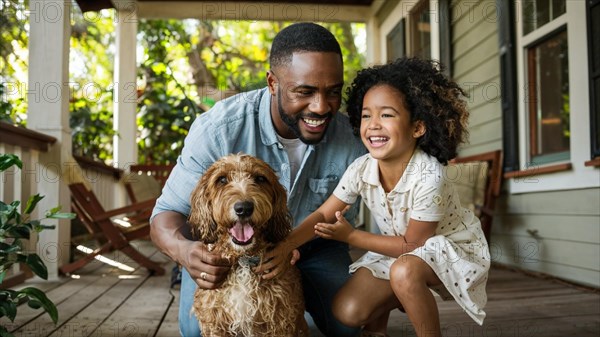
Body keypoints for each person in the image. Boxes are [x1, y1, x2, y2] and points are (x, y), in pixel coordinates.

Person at [150, 22, 365, 337]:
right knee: (196, 331)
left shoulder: (353, 139)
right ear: (273, 83)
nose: (321, 107)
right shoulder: (218, 128)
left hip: (315, 247)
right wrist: (184, 252)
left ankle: (287, 313)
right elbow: (166, 215)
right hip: (227, 247)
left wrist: (292, 245)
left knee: (348, 326)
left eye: (333, 91)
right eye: (304, 91)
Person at [258, 57, 490, 337]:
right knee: (347, 312)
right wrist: (286, 245)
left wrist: (351, 237)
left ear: (417, 127)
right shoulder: (362, 167)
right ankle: (379, 326)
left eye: (387, 115)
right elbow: (323, 214)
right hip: (396, 249)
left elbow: (414, 244)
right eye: (367, 115)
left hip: (445, 250)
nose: (374, 125)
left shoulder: (429, 176)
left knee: (405, 273)